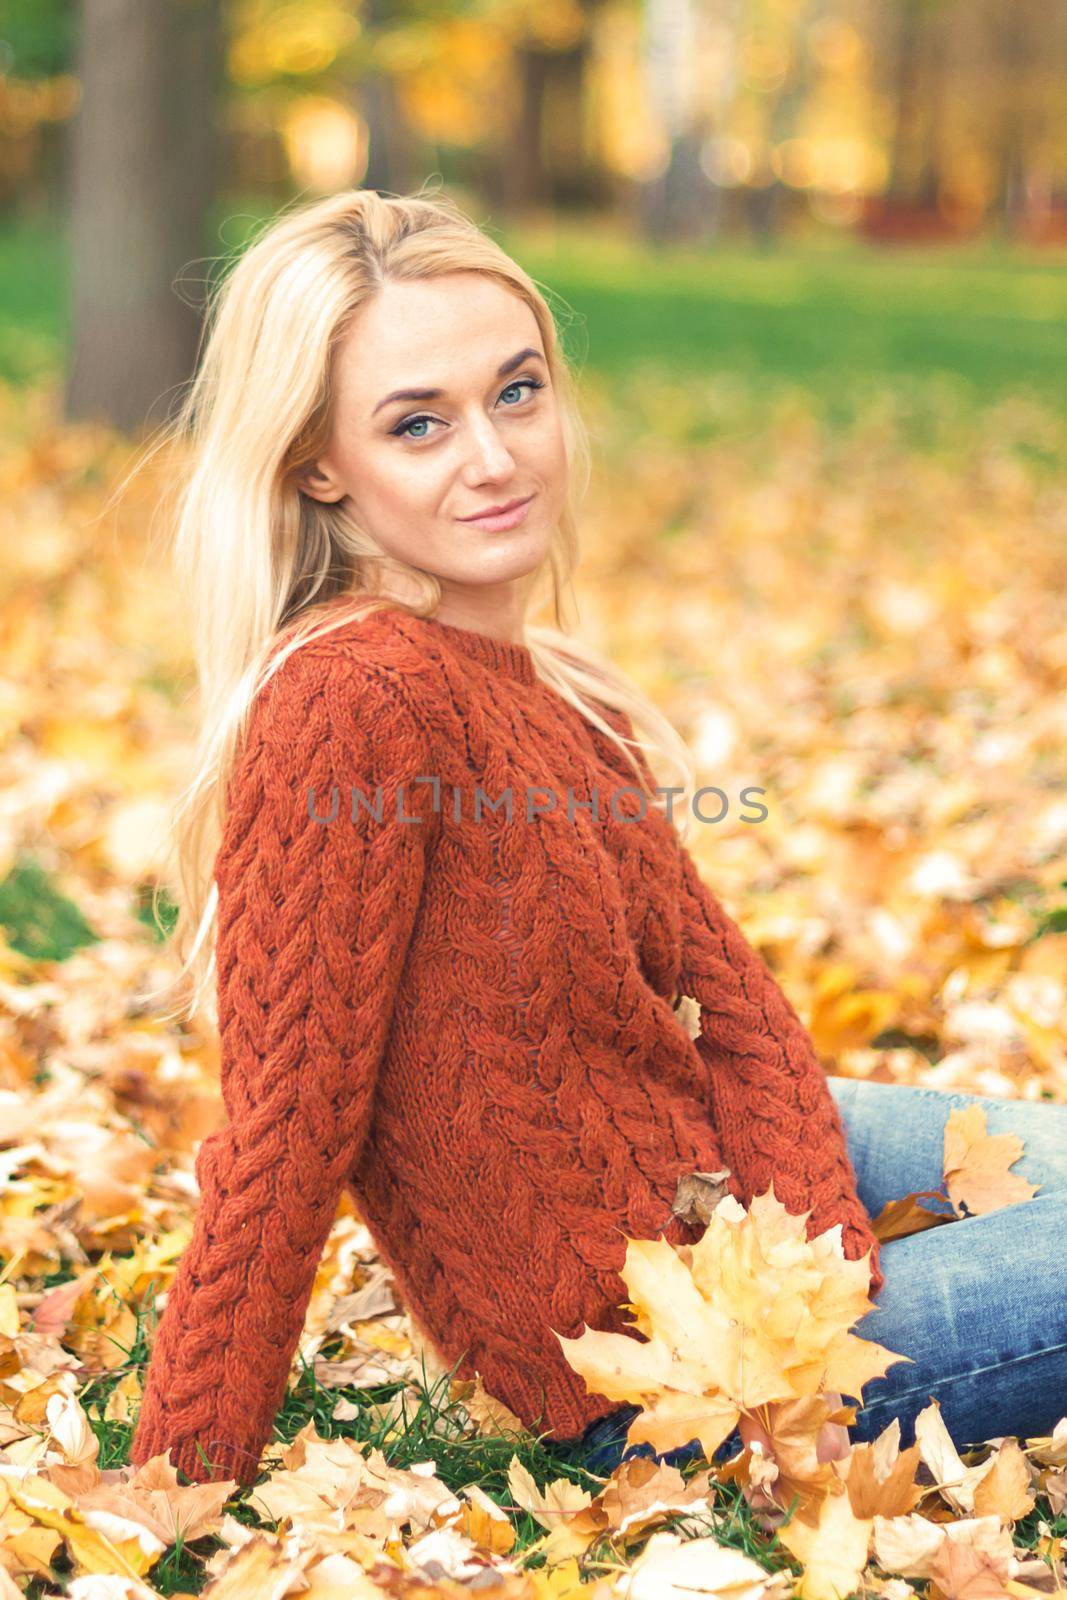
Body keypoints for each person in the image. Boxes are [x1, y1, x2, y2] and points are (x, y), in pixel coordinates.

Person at [126, 188, 1065, 1490]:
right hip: (648, 1371)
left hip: (722, 1197)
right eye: (418, 423)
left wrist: (820, 1258)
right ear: (319, 465)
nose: (497, 456)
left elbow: (735, 1012)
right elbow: (285, 1131)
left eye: (516, 392)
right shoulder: (355, 697)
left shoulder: (553, 689)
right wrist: (169, 1487)